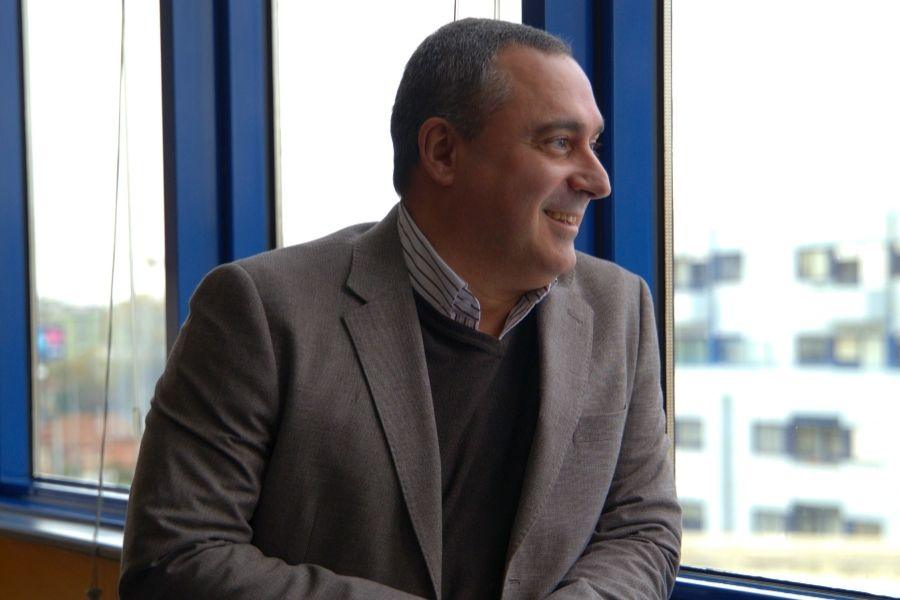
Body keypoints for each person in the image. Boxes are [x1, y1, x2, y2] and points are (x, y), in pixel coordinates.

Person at [120, 18, 681, 600]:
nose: (598, 180)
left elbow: (642, 529)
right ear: (442, 151)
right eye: (559, 143)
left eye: (594, 144)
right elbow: (173, 559)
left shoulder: (619, 309)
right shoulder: (260, 310)